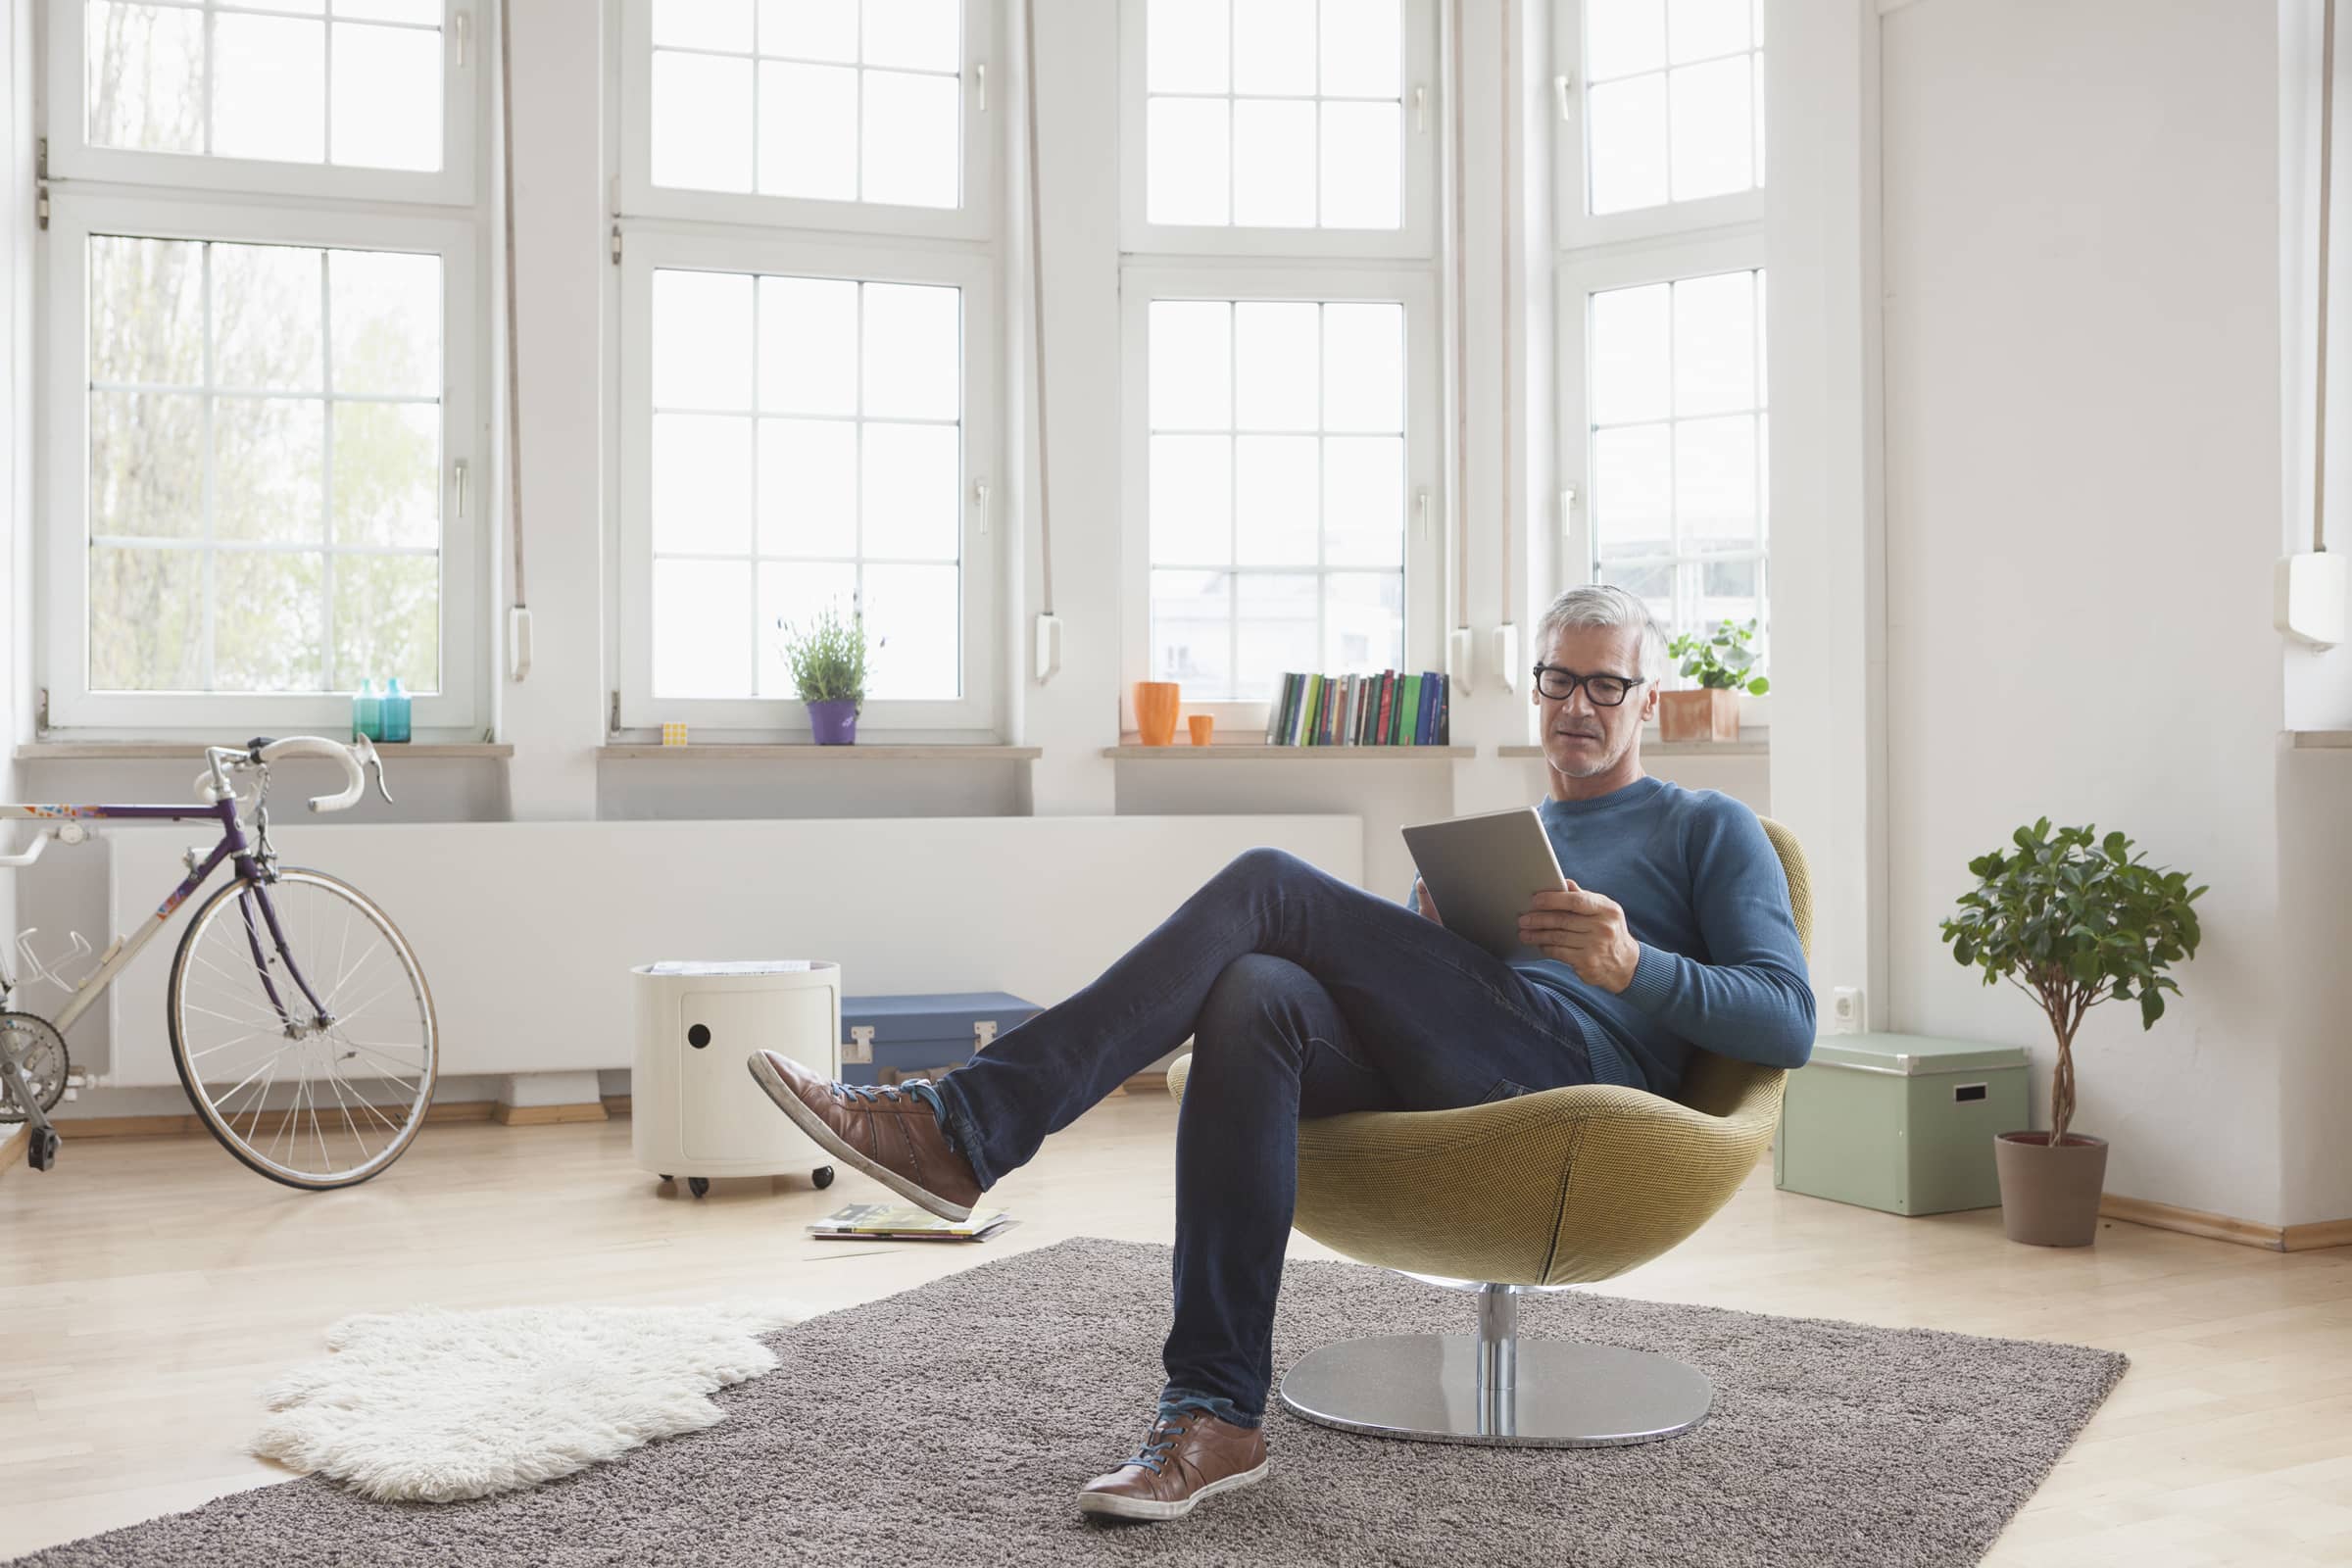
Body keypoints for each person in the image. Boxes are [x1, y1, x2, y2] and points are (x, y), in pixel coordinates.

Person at [748, 583, 1813, 1524]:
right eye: (1557, 681)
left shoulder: (1709, 828)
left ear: (1648, 695)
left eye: (1606, 687)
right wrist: (1432, 936)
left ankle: (963, 1127)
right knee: (1255, 991)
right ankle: (1214, 1417)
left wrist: (1636, 966)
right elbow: (1449, 991)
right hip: (1470, 1055)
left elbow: (1788, 1019)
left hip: (1577, 1080)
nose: (1578, 707)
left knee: (1267, 882)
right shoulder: (1518, 828)